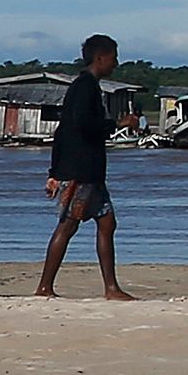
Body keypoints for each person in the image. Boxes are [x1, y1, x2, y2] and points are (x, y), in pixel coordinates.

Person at [35, 34, 134, 300]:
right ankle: (44, 287)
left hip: (90, 172)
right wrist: (117, 124)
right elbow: (77, 127)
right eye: (114, 58)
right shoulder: (84, 87)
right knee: (67, 226)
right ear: (101, 58)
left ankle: (111, 288)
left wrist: (54, 172)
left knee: (107, 222)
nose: (116, 63)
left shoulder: (89, 86)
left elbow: (64, 131)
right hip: (80, 171)